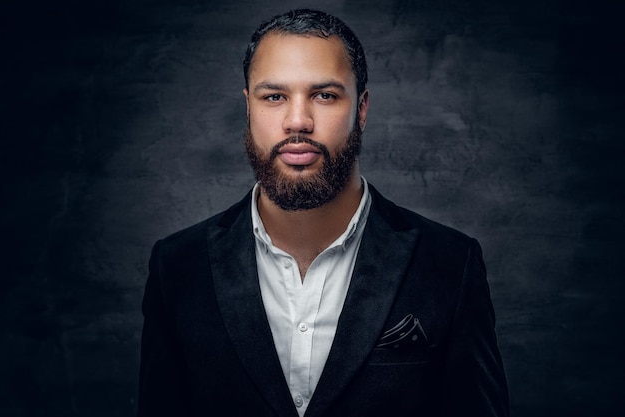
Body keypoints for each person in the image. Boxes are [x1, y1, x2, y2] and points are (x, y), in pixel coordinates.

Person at [138, 8, 509, 417]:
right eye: (274, 96)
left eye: (325, 95)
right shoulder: (177, 267)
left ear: (362, 108)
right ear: (249, 107)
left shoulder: (450, 264)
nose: (298, 121)